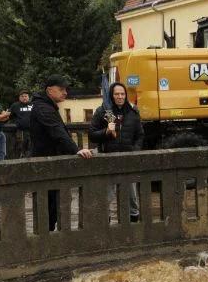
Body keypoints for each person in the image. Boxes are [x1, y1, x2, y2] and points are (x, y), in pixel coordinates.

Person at [29, 75, 94, 231]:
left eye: (66, 89)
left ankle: (48, 234)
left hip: (50, 161)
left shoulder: (46, 105)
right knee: (49, 203)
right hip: (46, 163)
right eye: (61, 89)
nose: (65, 93)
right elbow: (57, 132)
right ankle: (46, 237)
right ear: (49, 90)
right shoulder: (43, 107)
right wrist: (77, 149)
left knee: (54, 202)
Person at [90, 81, 143, 222]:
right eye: (116, 94)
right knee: (107, 194)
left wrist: (134, 150)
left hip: (127, 158)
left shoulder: (133, 111)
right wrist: (106, 131)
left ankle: (133, 218)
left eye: (122, 94)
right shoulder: (103, 111)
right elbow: (91, 134)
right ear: (111, 95)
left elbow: (140, 135)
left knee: (131, 195)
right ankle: (104, 220)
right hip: (108, 158)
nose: (120, 96)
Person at [8, 90, 33, 157]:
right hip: (20, 131)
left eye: (26, 96)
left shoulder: (33, 105)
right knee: (20, 147)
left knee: (31, 147)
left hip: (32, 130)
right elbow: (9, 116)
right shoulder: (15, 105)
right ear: (19, 97)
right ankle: (20, 158)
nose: (24, 98)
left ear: (28, 97)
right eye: (22, 96)